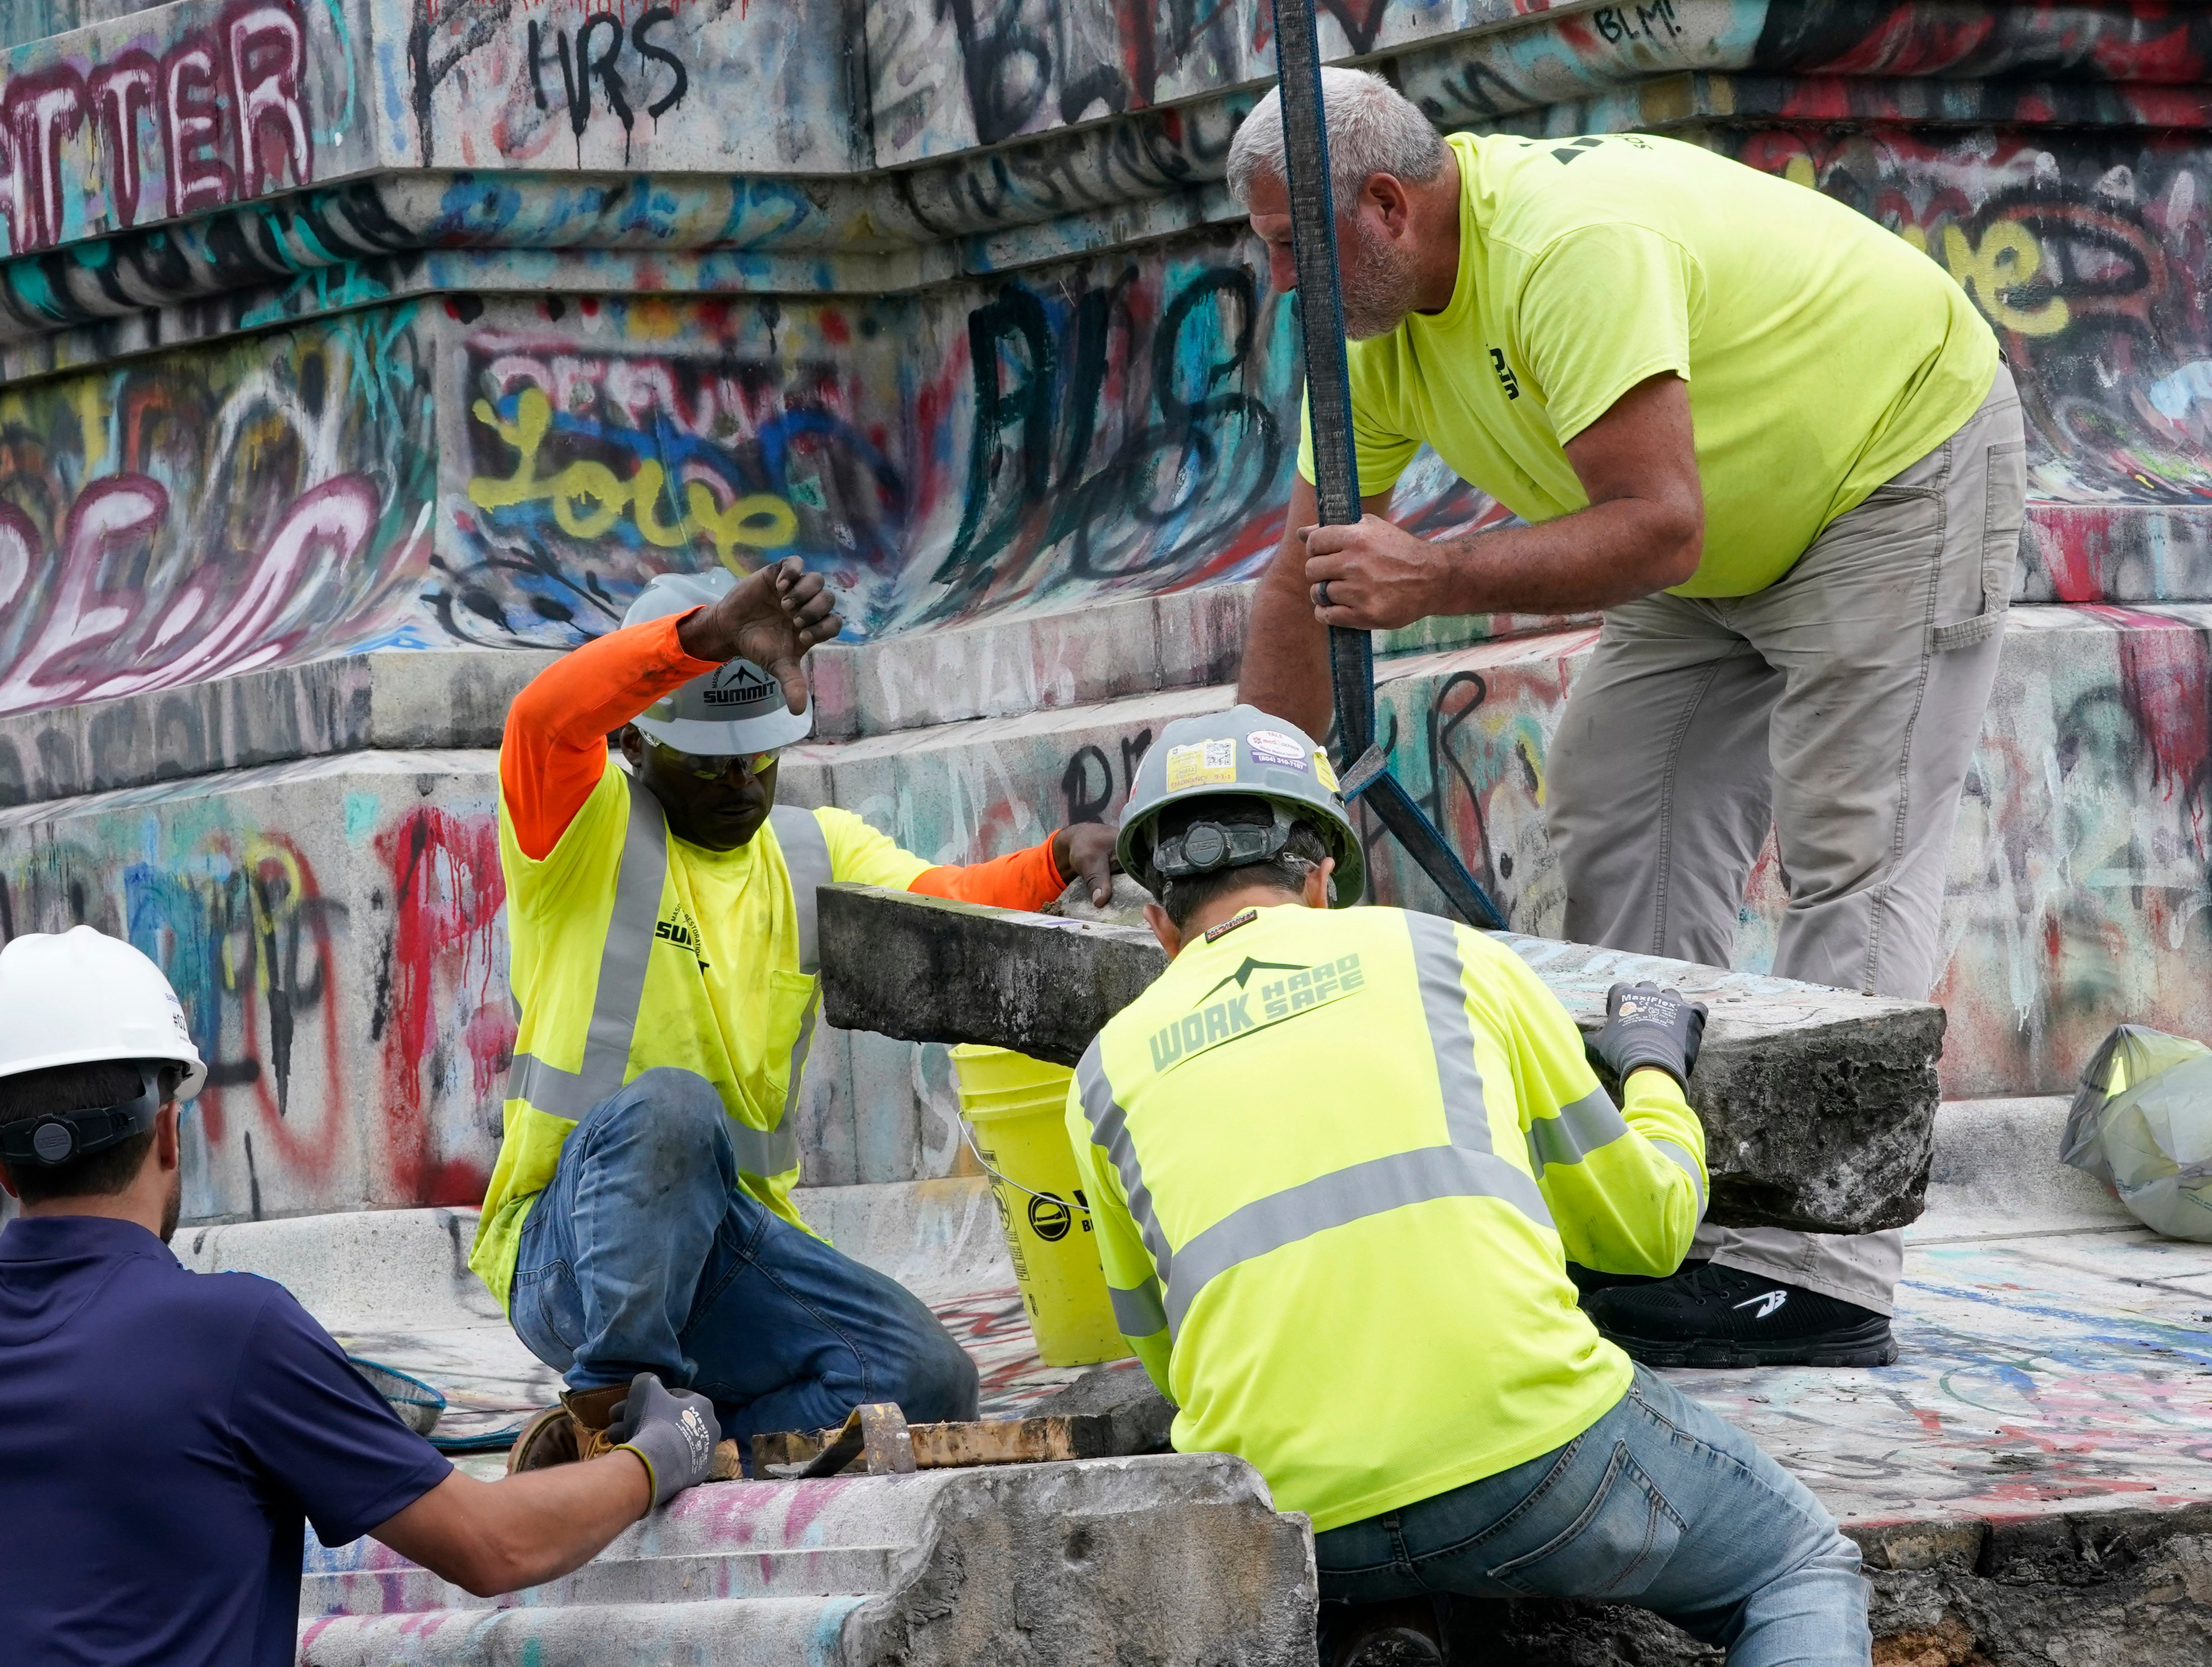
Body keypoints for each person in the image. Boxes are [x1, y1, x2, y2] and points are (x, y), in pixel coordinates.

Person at [1228, 69, 2025, 1366]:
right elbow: (1301, 576)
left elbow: (1656, 522)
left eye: (1280, 253)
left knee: (1852, 854)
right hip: (1709, 544)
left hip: (1888, 472)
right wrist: (1236, 818)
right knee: (1610, 826)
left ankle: (1817, 1276)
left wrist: (1436, 579)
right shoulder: (1365, 336)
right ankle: (1641, 1220)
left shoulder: (1563, 251)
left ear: (1380, 207)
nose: (1272, 287)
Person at [1068, 710, 1869, 1666]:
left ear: (1159, 922)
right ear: (1324, 877)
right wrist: (1652, 1066)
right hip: (1532, 1457)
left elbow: (1166, 1357)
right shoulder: (1446, 958)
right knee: (1797, 1566)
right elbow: (1649, 1230)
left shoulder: (1100, 1076)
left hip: (1287, 1509)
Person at [471, 558, 1120, 1469]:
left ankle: (688, 1445)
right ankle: (611, 1414)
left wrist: (1057, 858)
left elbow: (944, 898)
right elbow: (544, 717)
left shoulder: (812, 852)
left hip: (729, 1248)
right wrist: (699, 636)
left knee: (926, 1375)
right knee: (674, 1105)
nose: (740, 781)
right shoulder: (580, 828)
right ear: (637, 746)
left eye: (759, 757)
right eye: (711, 762)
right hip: (570, 1252)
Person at [0, 927, 727, 1667]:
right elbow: (492, 1545)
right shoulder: (229, 1335)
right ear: (166, 1133)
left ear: (4, 1169)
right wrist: (663, 1451)